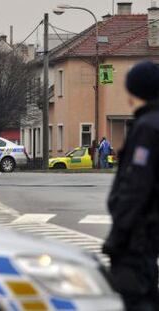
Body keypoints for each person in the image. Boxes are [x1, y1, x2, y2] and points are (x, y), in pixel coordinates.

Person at [103, 61, 159, 311]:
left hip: (138, 234)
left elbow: (136, 185)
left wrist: (118, 237)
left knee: (135, 299)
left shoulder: (147, 128)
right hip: (148, 231)